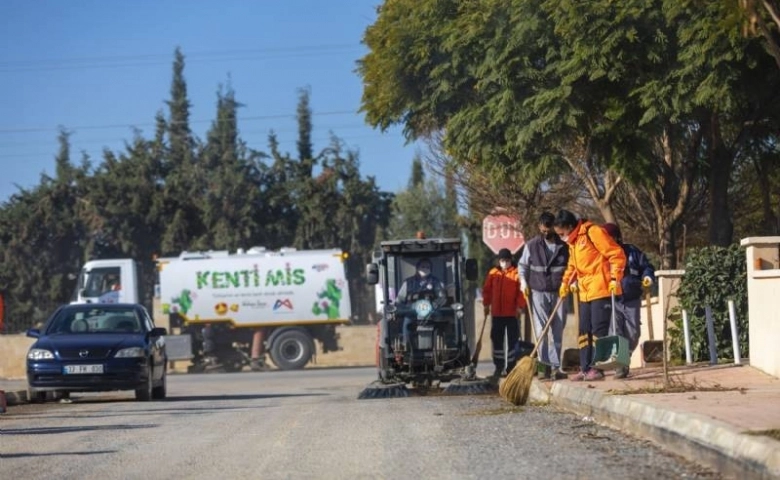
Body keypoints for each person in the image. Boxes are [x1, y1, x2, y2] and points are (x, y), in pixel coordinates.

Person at [554, 209, 626, 381]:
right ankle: (585, 368)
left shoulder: (592, 232)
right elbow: (572, 266)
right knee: (584, 331)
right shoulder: (573, 242)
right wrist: (565, 283)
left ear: (570, 226)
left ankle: (598, 368)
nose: (561, 237)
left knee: (598, 329)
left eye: (562, 233)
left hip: (601, 287)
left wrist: (615, 278)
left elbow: (616, 255)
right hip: (584, 292)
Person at [519, 212, 570, 380]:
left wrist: (571, 284)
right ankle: (543, 367)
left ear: (553, 228)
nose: (545, 233)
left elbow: (572, 266)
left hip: (559, 292)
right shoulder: (532, 246)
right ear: (539, 228)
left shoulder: (564, 247)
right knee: (541, 330)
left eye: (548, 230)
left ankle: (555, 367)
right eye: (543, 230)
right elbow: (523, 266)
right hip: (538, 292)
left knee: (557, 330)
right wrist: (523, 283)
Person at [602, 223, 656, 379]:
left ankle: (625, 356)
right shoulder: (601, 255)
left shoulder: (632, 251)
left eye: (609, 237)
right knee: (616, 331)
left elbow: (646, 266)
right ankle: (620, 364)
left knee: (633, 333)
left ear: (617, 236)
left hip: (631, 298)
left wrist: (647, 277)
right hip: (612, 299)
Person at [482, 248, 527, 380]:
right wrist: (486, 304)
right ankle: (499, 366)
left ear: (511, 260)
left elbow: (521, 292)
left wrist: (520, 307)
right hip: (497, 313)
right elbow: (487, 291)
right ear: (498, 260)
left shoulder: (516, 273)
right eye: (502, 260)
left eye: (507, 260)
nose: (504, 262)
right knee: (497, 340)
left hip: (512, 314)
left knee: (513, 341)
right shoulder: (493, 273)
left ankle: (511, 367)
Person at [395, 257, 446, 346]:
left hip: (432, 310)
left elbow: (442, 297)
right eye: (423, 266)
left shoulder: (436, 282)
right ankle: (406, 344)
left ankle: (442, 343)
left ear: (431, 269)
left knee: (440, 318)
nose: (425, 269)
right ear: (417, 268)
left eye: (427, 267)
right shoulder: (408, 282)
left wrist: (435, 304)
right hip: (412, 311)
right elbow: (399, 300)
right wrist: (402, 308)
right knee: (407, 321)